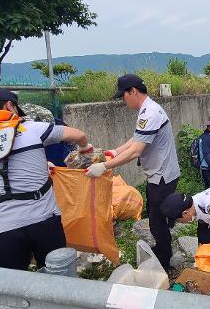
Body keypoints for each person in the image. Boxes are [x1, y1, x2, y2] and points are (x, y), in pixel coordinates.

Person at [0, 88, 92, 270]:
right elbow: (79, 135)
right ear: (10, 106)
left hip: (0, 228)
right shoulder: (32, 129)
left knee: (6, 289)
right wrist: (84, 148)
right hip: (44, 221)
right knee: (57, 278)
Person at [85, 74, 180, 272]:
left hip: (162, 176)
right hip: (160, 174)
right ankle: (163, 249)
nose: (123, 100)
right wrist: (116, 152)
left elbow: (137, 150)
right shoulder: (147, 110)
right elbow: (136, 139)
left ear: (133, 91)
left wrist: (104, 167)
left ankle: (164, 260)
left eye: (123, 96)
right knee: (158, 217)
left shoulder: (149, 113)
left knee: (157, 221)